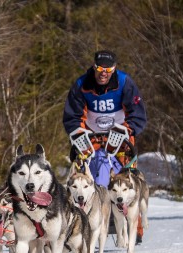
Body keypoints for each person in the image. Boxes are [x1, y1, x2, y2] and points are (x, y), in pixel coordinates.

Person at [63, 50, 147, 242]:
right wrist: (77, 132)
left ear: (114, 68)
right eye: (100, 68)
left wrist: (127, 129)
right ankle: (88, 220)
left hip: (121, 138)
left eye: (108, 69)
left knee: (128, 176)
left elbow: (138, 114)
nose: (104, 73)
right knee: (89, 174)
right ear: (94, 67)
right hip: (91, 138)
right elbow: (71, 116)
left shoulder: (125, 83)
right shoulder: (81, 85)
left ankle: (135, 225)